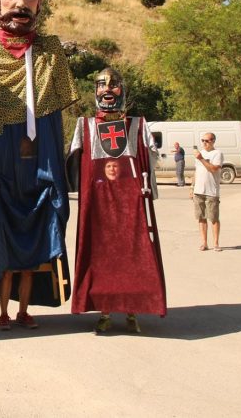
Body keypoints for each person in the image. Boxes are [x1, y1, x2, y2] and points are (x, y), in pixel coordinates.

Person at [0, 0, 78, 331]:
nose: (21, 3)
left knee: (47, 219)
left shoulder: (51, 49)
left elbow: (64, 113)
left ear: (40, 2)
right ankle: (1, 309)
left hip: (42, 155)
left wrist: (64, 163)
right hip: (1, 157)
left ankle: (29, 306)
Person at [67, 67, 165, 334]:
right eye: (101, 85)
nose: (107, 90)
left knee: (131, 258)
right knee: (102, 259)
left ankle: (133, 310)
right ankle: (105, 310)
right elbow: (74, 161)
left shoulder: (137, 125)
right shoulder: (85, 126)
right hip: (97, 206)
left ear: (124, 90)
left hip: (129, 205)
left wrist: (146, 189)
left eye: (114, 85)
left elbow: (150, 158)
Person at [191, 132, 223, 251]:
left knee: (213, 218)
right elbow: (196, 171)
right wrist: (192, 187)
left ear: (213, 141)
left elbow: (213, 169)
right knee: (201, 217)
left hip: (212, 191)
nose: (204, 143)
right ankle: (204, 243)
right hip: (198, 190)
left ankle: (216, 243)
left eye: (207, 141)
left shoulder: (217, 154)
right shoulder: (201, 153)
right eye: (203, 140)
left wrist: (201, 158)